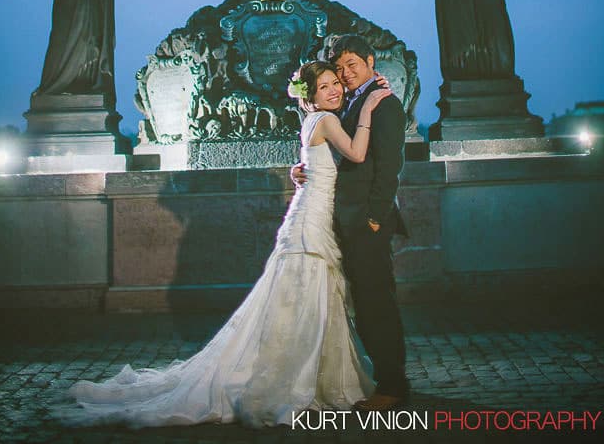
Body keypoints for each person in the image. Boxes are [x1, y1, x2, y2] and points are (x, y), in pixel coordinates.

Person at [56, 61, 389, 429]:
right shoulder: (326, 120)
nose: (334, 90)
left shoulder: (314, 121)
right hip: (311, 219)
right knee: (304, 293)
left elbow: (317, 162)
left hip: (310, 211)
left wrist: (300, 170)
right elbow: (357, 154)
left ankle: (303, 370)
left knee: (300, 295)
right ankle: (299, 375)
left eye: (334, 84)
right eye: (324, 86)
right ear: (309, 96)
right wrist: (370, 108)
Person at [291, 34, 409, 412]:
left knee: (376, 302)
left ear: (371, 61)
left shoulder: (385, 104)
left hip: (366, 221)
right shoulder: (351, 103)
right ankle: (382, 377)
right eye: (339, 69)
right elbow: (336, 153)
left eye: (352, 65)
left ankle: (393, 384)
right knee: (363, 300)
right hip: (345, 219)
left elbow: (389, 166)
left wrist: (375, 216)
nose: (345, 74)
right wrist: (306, 169)